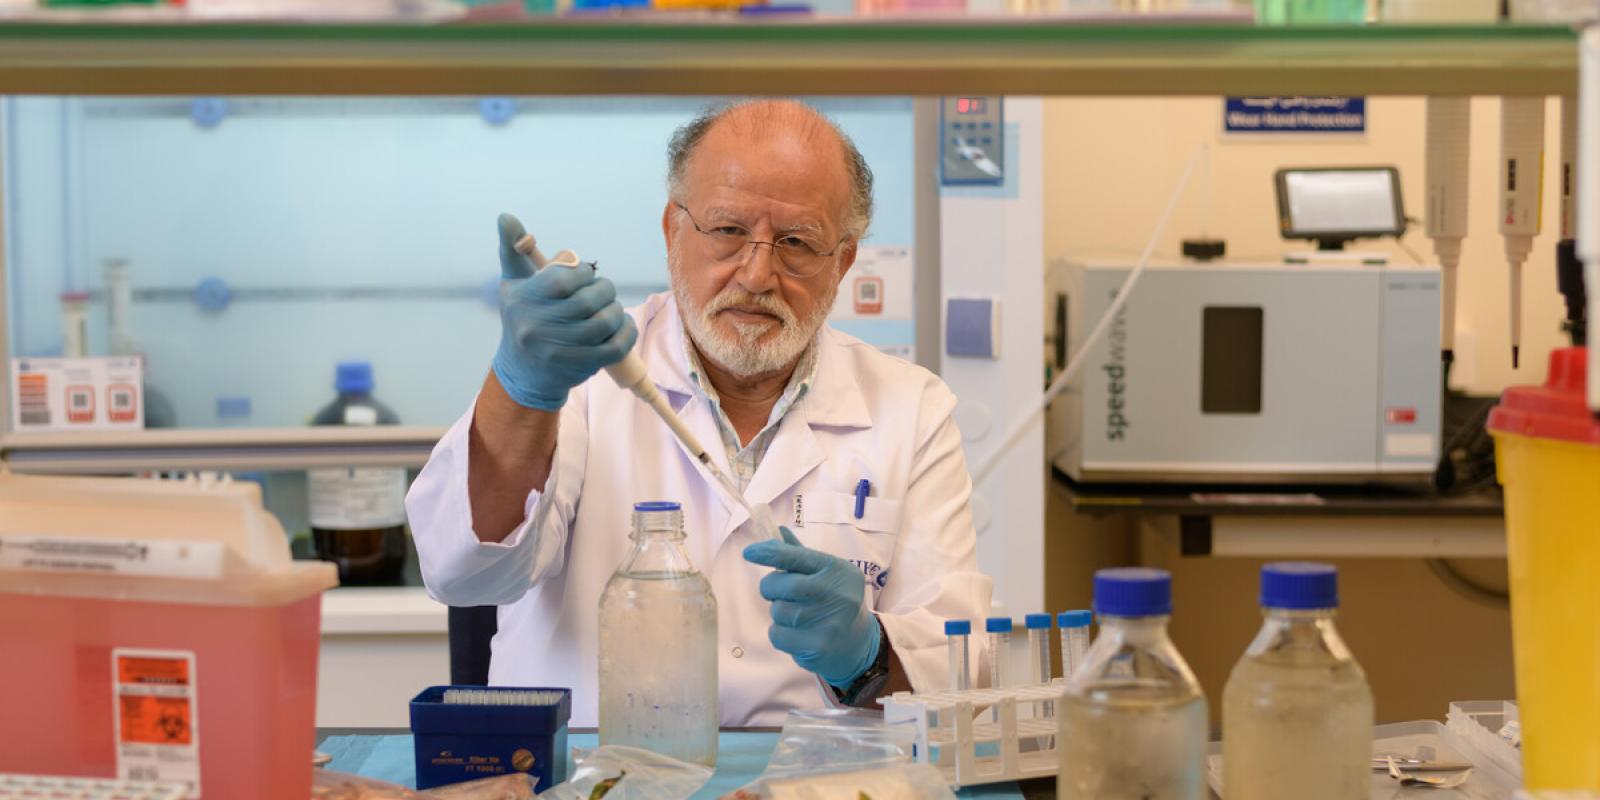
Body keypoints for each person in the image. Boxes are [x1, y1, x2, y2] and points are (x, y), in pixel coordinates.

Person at [407, 99, 991, 726]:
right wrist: (522, 390)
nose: (758, 273)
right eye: (728, 230)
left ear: (843, 261)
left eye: (797, 242)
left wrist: (867, 655)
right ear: (672, 230)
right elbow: (461, 574)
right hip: (591, 773)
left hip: (815, 780)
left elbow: (958, 670)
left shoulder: (912, 408)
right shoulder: (581, 374)